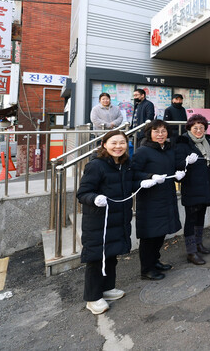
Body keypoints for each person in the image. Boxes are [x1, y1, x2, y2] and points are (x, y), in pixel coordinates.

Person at [76, 130, 133, 315]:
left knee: (111, 254)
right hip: (98, 220)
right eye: (113, 143)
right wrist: (94, 198)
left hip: (117, 218)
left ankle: (107, 288)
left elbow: (130, 184)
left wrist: (147, 180)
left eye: (122, 143)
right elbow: (82, 193)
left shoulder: (124, 164)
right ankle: (92, 298)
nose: (118, 146)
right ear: (104, 144)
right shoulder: (96, 165)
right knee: (96, 258)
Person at [131, 120, 186, 280]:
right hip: (150, 199)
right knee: (149, 236)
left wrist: (179, 173)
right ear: (149, 133)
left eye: (163, 131)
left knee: (160, 233)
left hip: (166, 196)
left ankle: (155, 261)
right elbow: (133, 173)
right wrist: (150, 177)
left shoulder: (169, 149)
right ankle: (146, 269)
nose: (160, 134)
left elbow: (173, 168)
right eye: (156, 131)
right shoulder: (143, 151)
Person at [175, 114, 210, 265]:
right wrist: (186, 162)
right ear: (189, 128)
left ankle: (199, 244)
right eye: (195, 128)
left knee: (201, 216)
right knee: (191, 219)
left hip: (205, 185)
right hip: (192, 186)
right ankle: (191, 251)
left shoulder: (208, 141)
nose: (199, 131)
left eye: (201, 128)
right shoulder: (183, 142)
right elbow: (178, 164)